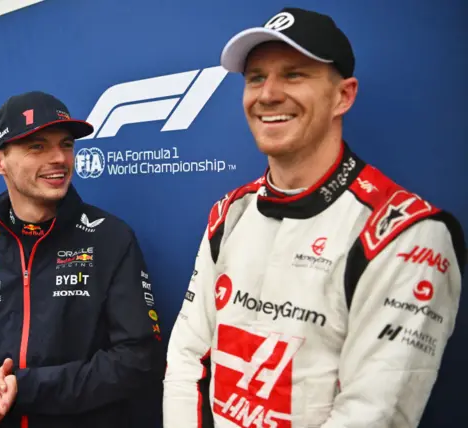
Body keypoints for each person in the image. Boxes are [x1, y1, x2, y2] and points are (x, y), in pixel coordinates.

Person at [163, 6, 466, 428]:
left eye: (294, 74)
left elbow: (373, 414)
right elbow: (186, 358)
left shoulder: (408, 234)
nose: (267, 94)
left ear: (343, 95)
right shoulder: (230, 214)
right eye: (256, 77)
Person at [0, 91, 165, 428]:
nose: (59, 158)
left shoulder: (110, 238)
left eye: (65, 144)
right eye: (37, 146)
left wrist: (23, 388)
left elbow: (137, 359)